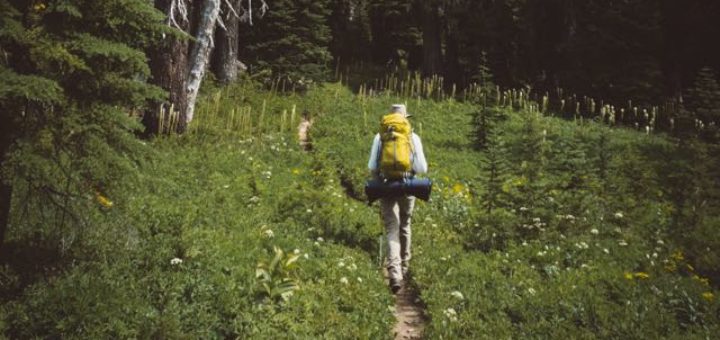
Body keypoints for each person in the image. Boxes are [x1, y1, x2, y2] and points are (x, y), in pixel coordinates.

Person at [367, 104, 428, 293]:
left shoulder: (380, 136)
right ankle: (405, 267)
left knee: (391, 227)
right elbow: (422, 168)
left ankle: (394, 274)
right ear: (404, 118)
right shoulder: (412, 136)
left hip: (386, 185)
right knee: (405, 224)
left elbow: (372, 166)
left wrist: (379, 182)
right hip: (408, 185)